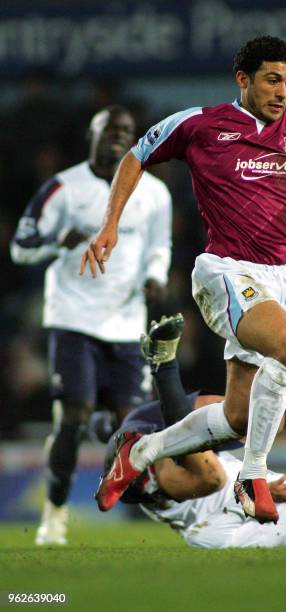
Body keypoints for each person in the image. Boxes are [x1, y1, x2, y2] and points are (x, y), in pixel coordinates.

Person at [81, 36, 286, 524]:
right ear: (244, 79)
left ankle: (144, 452)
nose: (282, 92)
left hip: (279, 280)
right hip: (223, 270)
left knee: (240, 417)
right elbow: (135, 156)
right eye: (273, 80)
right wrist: (109, 223)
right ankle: (252, 474)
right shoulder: (199, 124)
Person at [10, 106, 172, 545]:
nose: (119, 136)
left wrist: (156, 277)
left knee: (130, 427)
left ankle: (151, 508)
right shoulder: (63, 187)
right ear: (92, 133)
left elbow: (161, 245)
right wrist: (52, 241)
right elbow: (20, 246)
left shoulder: (154, 191)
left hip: (125, 323)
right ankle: (55, 511)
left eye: (127, 131)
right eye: (110, 129)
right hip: (73, 317)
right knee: (73, 417)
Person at [102, 314, 286, 547]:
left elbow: (199, 536)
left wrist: (252, 499)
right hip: (157, 429)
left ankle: (163, 364)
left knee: (212, 477)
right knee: (265, 419)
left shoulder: (272, 538)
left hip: (153, 480)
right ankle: (276, 313)